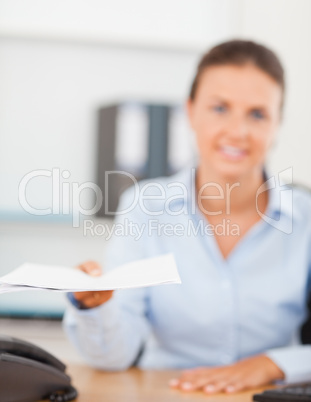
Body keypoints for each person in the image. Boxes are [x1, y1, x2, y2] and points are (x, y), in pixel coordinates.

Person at [63, 39, 311, 394]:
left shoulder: (305, 218)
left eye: (257, 114)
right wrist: (94, 307)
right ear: (191, 112)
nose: (237, 131)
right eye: (219, 108)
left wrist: (273, 364)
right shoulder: (144, 206)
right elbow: (114, 356)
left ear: (277, 124)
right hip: (167, 392)